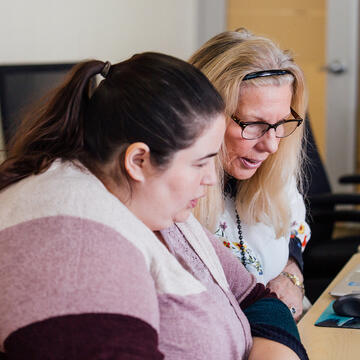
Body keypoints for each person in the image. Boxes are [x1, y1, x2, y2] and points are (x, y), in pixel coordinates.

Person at [0, 52, 308, 359]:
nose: (210, 180)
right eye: (199, 164)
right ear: (139, 161)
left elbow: (255, 298)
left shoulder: (158, 208)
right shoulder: (70, 242)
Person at [190, 28, 311, 320]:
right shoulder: (173, 197)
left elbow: (294, 228)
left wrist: (292, 275)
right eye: (253, 124)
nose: (270, 145)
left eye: (280, 123)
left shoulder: (272, 166)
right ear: (204, 116)